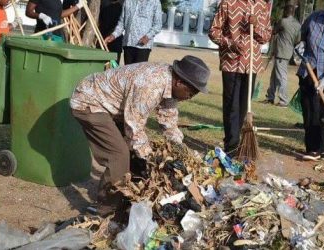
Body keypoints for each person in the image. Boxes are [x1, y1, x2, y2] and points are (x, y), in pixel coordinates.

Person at [70, 55, 210, 216]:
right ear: (180, 82)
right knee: (118, 154)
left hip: (110, 106)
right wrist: (151, 159)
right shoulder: (151, 85)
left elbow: (168, 119)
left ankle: (129, 196)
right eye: (191, 92)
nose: (190, 97)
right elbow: (134, 127)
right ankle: (104, 209)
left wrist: (179, 149)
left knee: (133, 151)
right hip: (89, 102)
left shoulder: (170, 83)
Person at [209, 0, 272, 156]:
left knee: (244, 106)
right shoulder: (228, 3)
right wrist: (230, 43)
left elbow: (266, 37)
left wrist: (256, 25)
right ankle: (231, 145)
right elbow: (213, 31)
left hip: (252, 64)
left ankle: (240, 145)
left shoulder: (262, 6)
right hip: (231, 61)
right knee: (231, 105)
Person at [295, 0, 324, 162]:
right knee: (310, 110)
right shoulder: (315, 18)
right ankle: (312, 149)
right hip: (310, 70)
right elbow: (302, 35)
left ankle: (321, 149)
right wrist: (300, 43)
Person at [264, 3, 301, 107]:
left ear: (286, 12)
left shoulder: (283, 21)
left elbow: (274, 31)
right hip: (288, 52)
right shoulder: (298, 24)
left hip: (281, 52)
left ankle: (283, 100)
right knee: (274, 76)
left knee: (281, 77)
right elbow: (298, 40)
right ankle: (270, 97)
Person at [104, 0, 162, 65]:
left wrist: (148, 36)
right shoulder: (128, 1)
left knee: (138, 73)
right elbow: (121, 23)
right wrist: (113, 35)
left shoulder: (155, 2)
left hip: (143, 47)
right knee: (128, 73)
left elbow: (158, 25)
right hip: (128, 45)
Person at [98, 0, 124, 64]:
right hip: (102, 39)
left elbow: (122, 23)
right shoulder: (103, 2)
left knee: (114, 67)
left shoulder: (123, 3)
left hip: (116, 40)